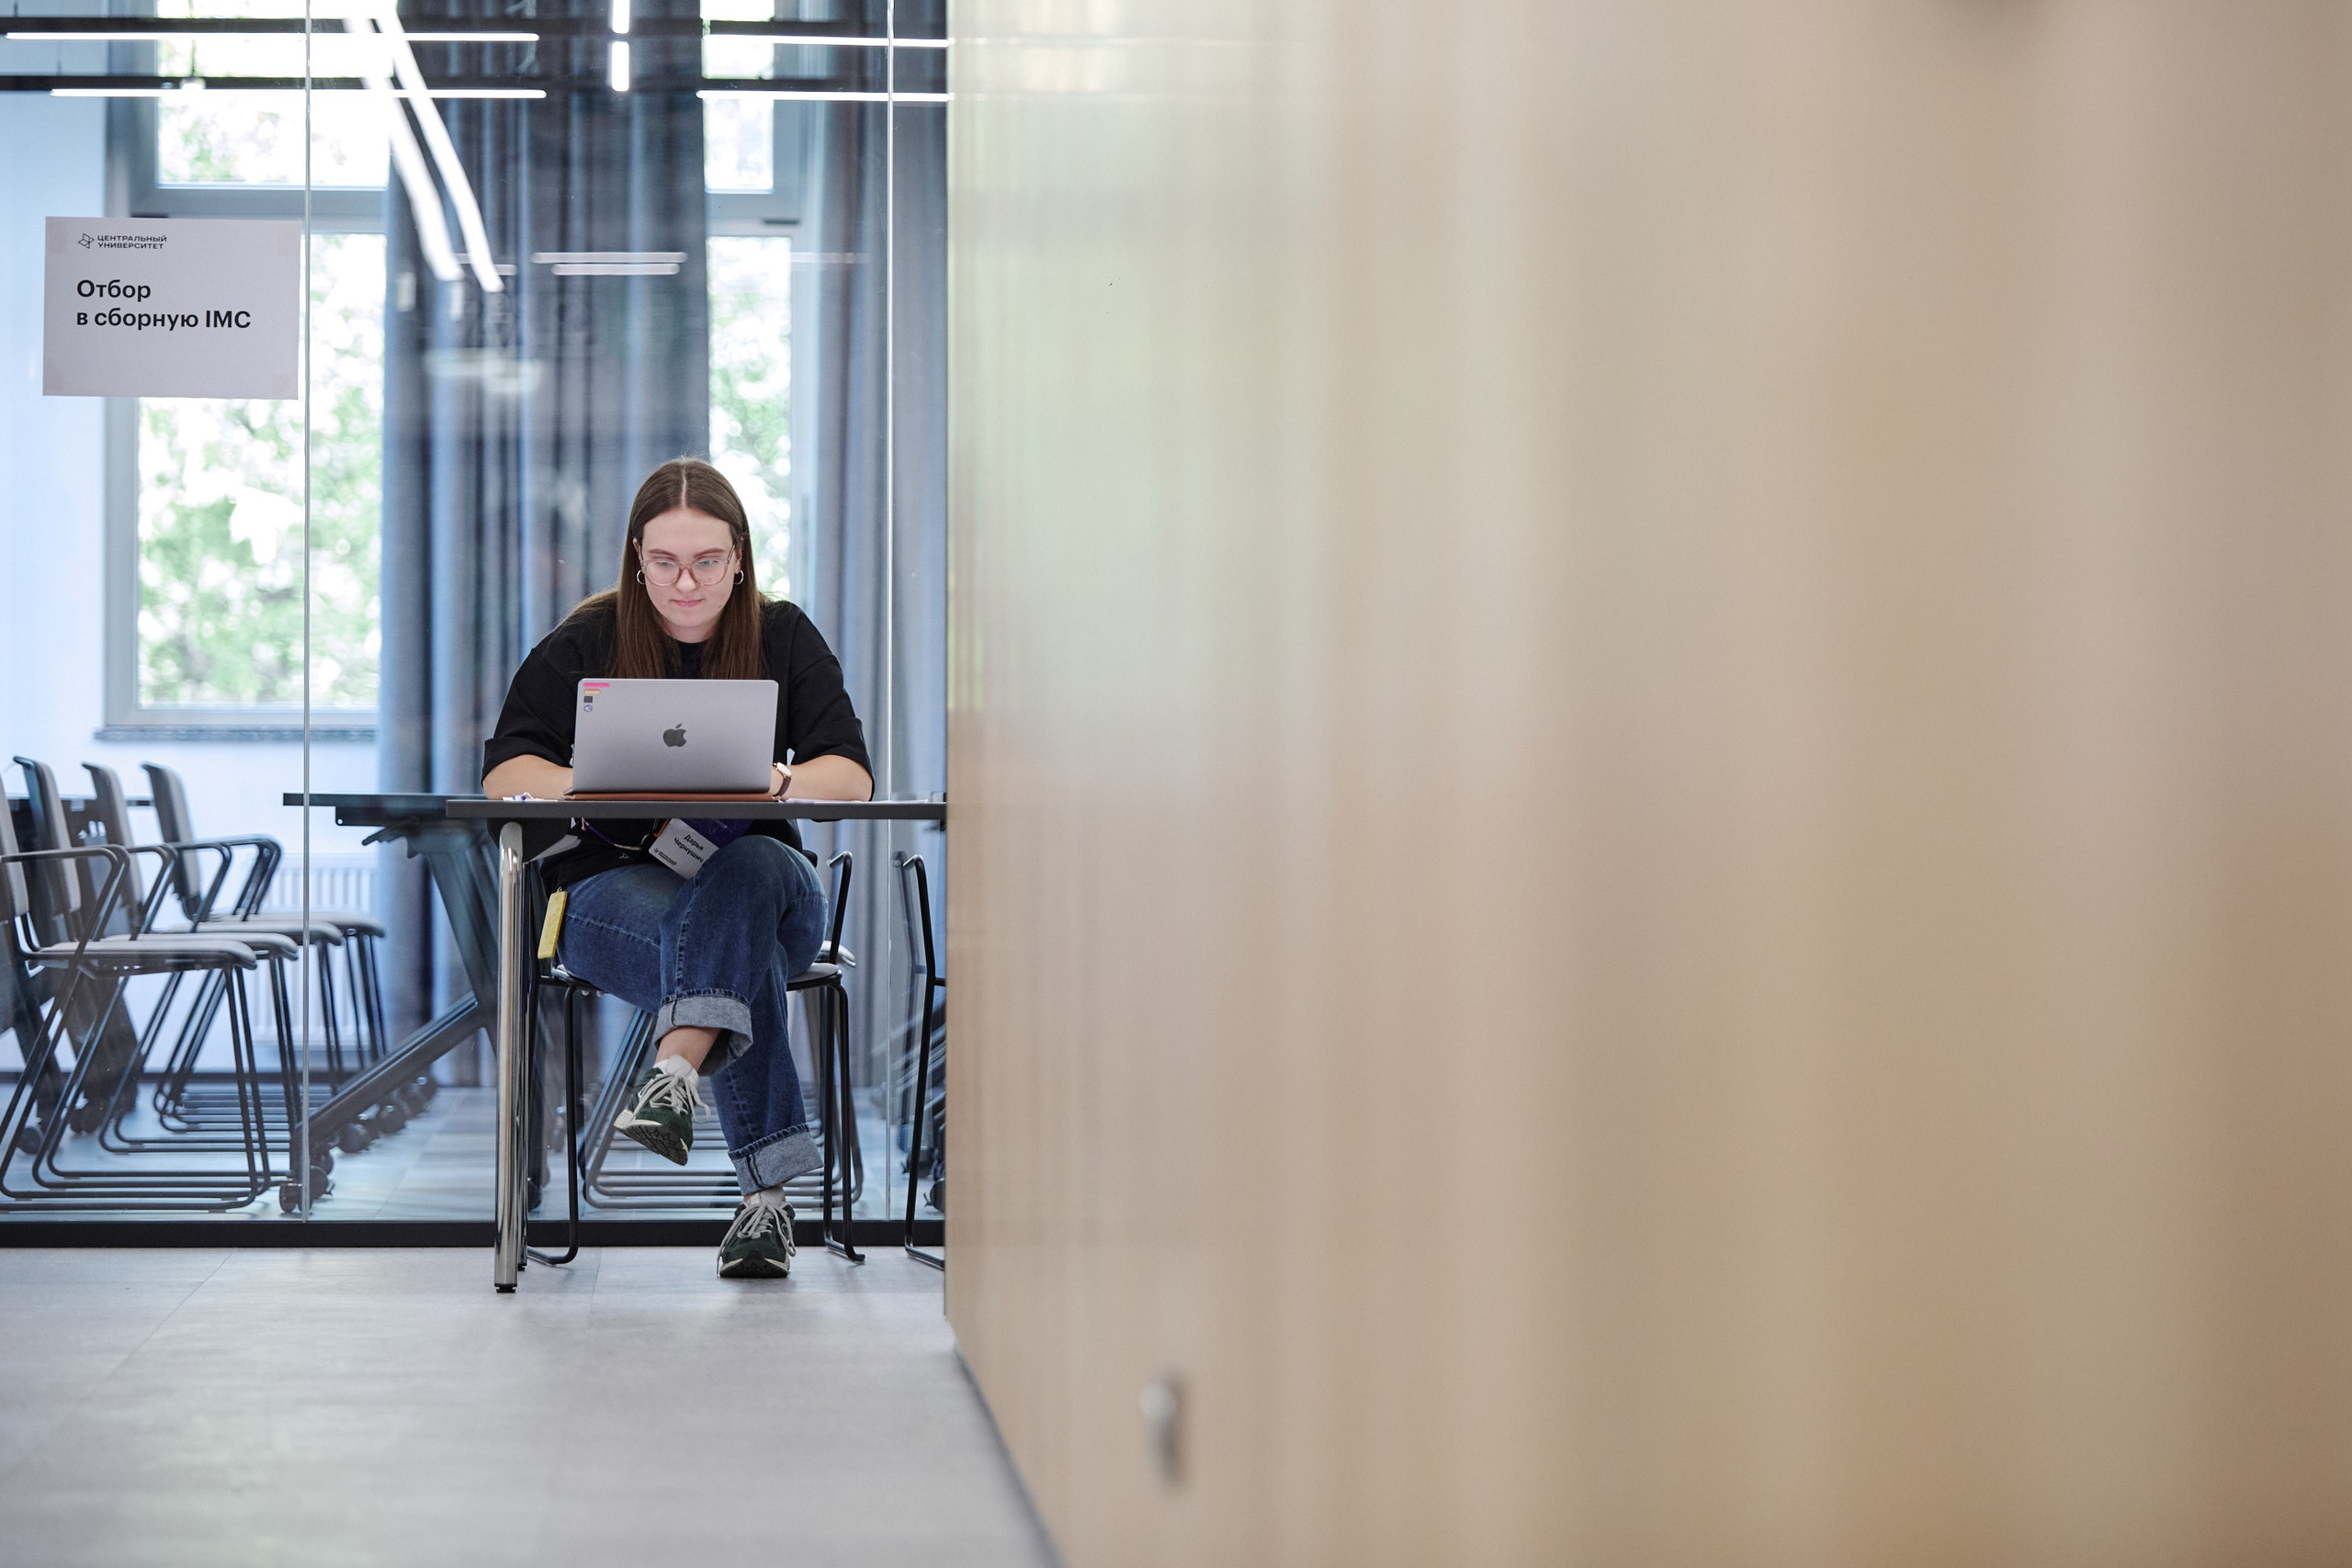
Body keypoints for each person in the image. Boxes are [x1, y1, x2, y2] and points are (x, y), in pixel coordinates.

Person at [481, 458, 873, 1279]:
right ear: (636, 557)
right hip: (612, 900)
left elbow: (852, 779)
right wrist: (602, 782)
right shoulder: (587, 639)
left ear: (739, 556)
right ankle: (762, 1199)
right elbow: (505, 774)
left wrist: (778, 780)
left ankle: (672, 1073)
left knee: (751, 868)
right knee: (733, 953)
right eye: (663, 561)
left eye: (705, 560)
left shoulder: (783, 634)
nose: (685, 582)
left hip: (766, 885)